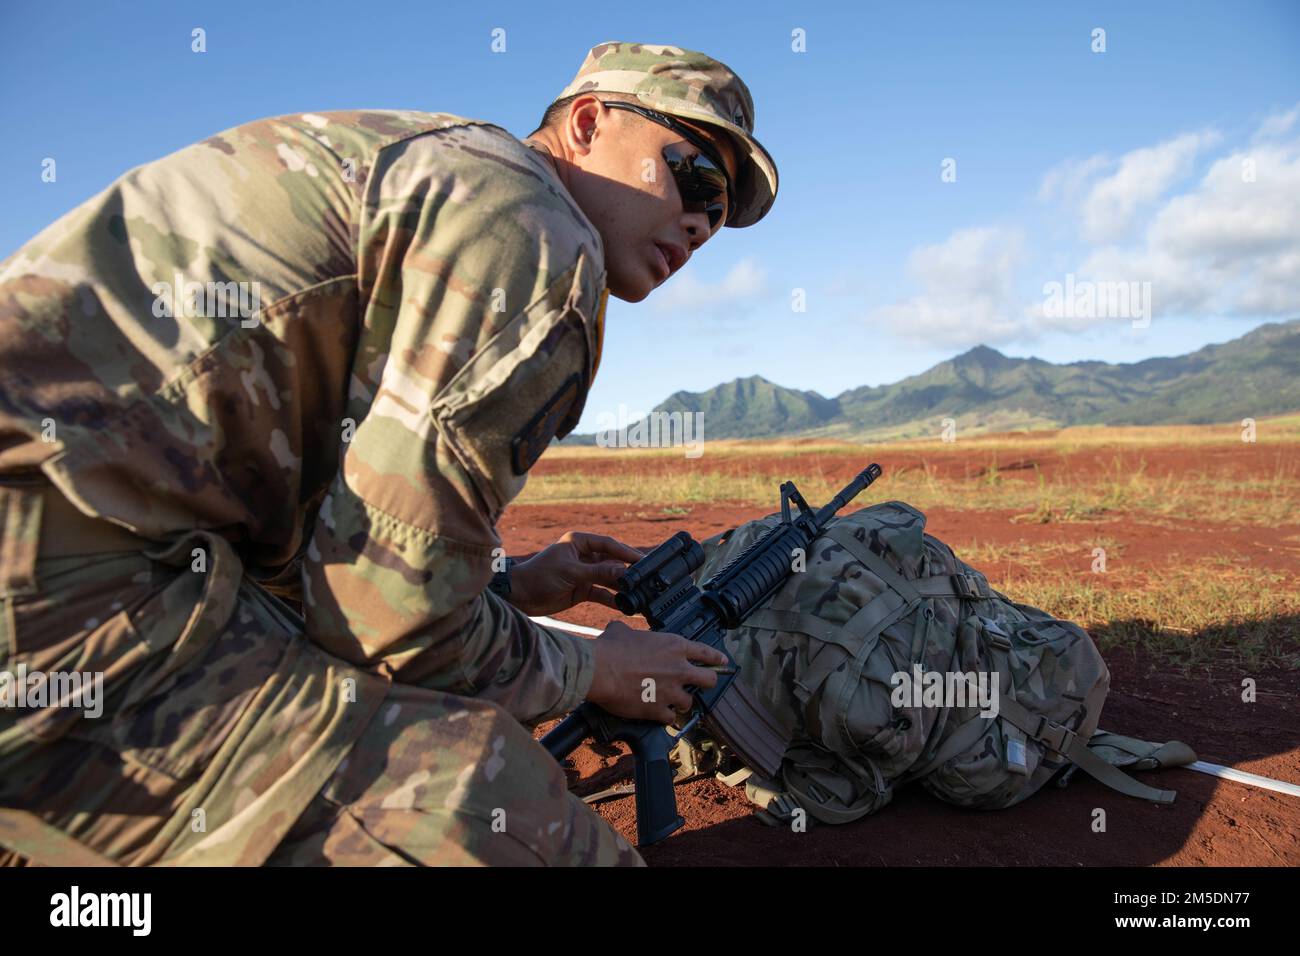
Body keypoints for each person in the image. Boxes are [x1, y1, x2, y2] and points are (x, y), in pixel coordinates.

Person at [0, 41, 778, 866]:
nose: (701, 222)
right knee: (500, 817)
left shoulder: (443, 171)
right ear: (586, 124)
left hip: (89, 543)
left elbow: (328, 545)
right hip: (59, 593)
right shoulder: (535, 229)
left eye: (722, 214)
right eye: (694, 177)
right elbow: (394, 623)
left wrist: (512, 583)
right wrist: (594, 666)